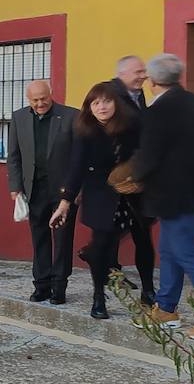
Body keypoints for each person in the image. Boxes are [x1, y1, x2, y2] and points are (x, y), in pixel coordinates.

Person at [128, 53, 194, 340]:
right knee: (170, 251)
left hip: (174, 192)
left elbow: (150, 154)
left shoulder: (159, 111)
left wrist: (134, 175)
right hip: (192, 190)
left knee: (186, 253)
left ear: (153, 81)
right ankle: (166, 308)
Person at [50, 83, 148, 319]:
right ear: (89, 107)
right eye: (95, 103)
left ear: (116, 103)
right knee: (102, 244)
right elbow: (76, 167)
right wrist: (65, 202)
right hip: (99, 194)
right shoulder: (86, 131)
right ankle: (98, 297)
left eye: (106, 101)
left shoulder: (131, 128)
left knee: (141, 238)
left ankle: (149, 292)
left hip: (130, 192)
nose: (101, 107)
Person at [6, 81, 78, 305]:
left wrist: (74, 190)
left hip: (62, 191)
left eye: (43, 98)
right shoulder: (19, 118)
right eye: (34, 100)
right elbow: (14, 156)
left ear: (51, 94)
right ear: (28, 100)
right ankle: (41, 285)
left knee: (62, 239)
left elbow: (78, 157)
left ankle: (59, 286)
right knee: (39, 238)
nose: (39, 103)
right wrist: (15, 186)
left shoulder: (71, 117)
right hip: (34, 189)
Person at [108, 55, 158, 302]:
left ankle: (148, 289)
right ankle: (109, 267)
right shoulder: (108, 95)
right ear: (123, 74)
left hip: (138, 176)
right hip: (117, 177)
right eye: (138, 71)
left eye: (144, 71)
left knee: (141, 231)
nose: (143, 75)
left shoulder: (138, 96)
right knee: (118, 228)